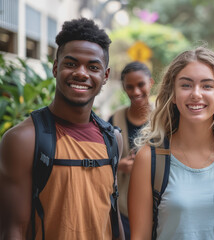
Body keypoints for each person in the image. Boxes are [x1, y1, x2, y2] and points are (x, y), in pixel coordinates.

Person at [0, 18, 125, 239]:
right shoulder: (23, 139)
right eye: (71, 63)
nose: (81, 73)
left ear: (105, 76)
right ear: (56, 67)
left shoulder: (113, 139)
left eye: (93, 67)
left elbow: (111, 217)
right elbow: (13, 229)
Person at [128, 47, 214, 240]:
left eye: (207, 86)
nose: (196, 94)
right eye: (186, 85)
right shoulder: (150, 158)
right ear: (173, 95)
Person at [108, 61, 154, 239]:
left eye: (141, 85)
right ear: (124, 88)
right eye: (130, 87)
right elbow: (105, 160)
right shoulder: (115, 119)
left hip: (159, 205)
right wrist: (119, 165)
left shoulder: (165, 118)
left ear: (150, 83)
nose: (136, 92)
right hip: (125, 208)